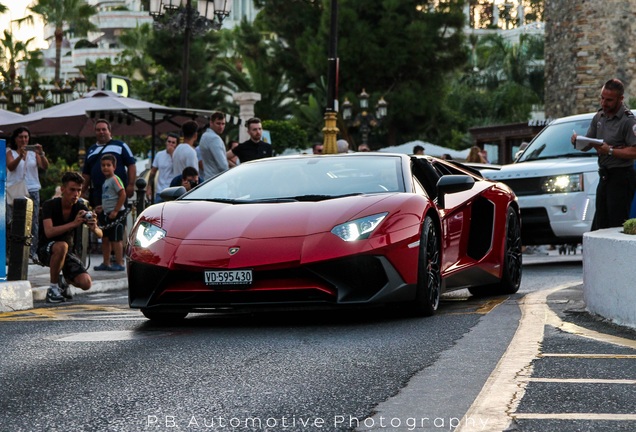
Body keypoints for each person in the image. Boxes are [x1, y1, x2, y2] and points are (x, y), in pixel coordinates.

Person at [571, 78, 636, 229]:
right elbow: (588, 144)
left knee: (617, 223)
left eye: (609, 100)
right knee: (600, 224)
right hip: (605, 176)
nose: (604, 103)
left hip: (622, 176)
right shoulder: (599, 117)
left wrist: (611, 151)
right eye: (602, 98)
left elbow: (634, 150)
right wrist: (577, 141)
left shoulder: (628, 121)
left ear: (620, 99)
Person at [38, 171, 103, 303]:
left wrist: (94, 227)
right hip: (46, 249)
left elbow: (100, 234)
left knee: (86, 283)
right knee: (62, 245)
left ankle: (63, 280)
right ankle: (53, 288)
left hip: (67, 253)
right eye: (72, 190)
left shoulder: (80, 207)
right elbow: (49, 232)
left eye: (79, 190)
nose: (76, 194)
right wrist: (74, 224)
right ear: (63, 189)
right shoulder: (49, 205)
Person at [5, 126, 49, 260]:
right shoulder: (9, 151)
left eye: (26, 137)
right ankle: (11, 252)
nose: (24, 140)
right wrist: (20, 156)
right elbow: (11, 167)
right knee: (11, 220)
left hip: (32, 188)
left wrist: (41, 153)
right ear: (15, 139)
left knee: (33, 221)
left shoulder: (33, 152)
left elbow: (44, 166)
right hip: (15, 189)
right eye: (21, 137)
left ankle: (31, 252)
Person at [82, 119, 136, 208]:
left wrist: (131, 185)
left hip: (117, 192)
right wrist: (82, 190)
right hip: (98, 193)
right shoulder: (91, 150)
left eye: (104, 129)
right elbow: (86, 173)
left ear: (109, 131)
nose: (101, 132)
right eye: (98, 130)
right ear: (95, 132)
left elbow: (131, 165)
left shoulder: (120, 146)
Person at [93, 154, 127, 272]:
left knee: (116, 239)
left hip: (117, 215)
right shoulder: (106, 182)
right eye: (103, 165)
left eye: (108, 165)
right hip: (107, 214)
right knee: (105, 238)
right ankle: (106, 262)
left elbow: (122, 194)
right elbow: (110, 197)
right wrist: (102, 207)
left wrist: (116, 210)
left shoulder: (115, 179)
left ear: (114, 166)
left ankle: (119, 262)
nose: (105, 168)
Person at [147, 133, 178, 203]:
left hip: (173, 191)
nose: (170, 144)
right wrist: (149, 187)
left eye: (173, 143)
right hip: (160, 191)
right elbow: (153, 172)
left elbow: (178, 168)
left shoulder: (178, 155)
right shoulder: (159, 155)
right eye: (169, 141)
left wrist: (172, 154)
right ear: (166, 142)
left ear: (176, 145)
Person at [199, 111, 229, 178]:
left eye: (223, 124)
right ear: (211, 123)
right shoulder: (214, 138)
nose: (221, 126)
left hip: (208, 178)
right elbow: (223, 165)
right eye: (218, 123)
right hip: (217, 180)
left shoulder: (204, 136)